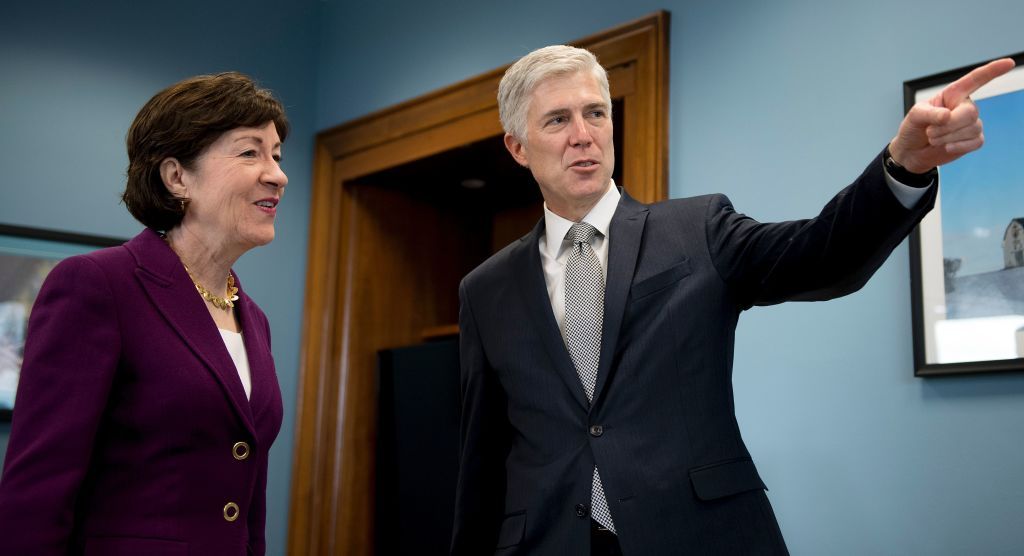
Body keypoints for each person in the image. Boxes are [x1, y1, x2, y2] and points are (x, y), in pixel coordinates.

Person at [451, 45, 1014, 556]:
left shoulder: (697, 229)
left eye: (595, 112)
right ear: (518, 148)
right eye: (558, 119)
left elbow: (823, 253)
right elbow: (483, 458)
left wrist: (904, 165)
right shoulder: (485, 291)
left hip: (703, 537)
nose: (584, 134)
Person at [0, 72, 289, 555]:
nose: (277, 174)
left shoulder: (254, 318)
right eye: (249, 152)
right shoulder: (98, 284)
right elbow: (38, 489)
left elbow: (247, 501)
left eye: (276, 156)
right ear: (177, 177)